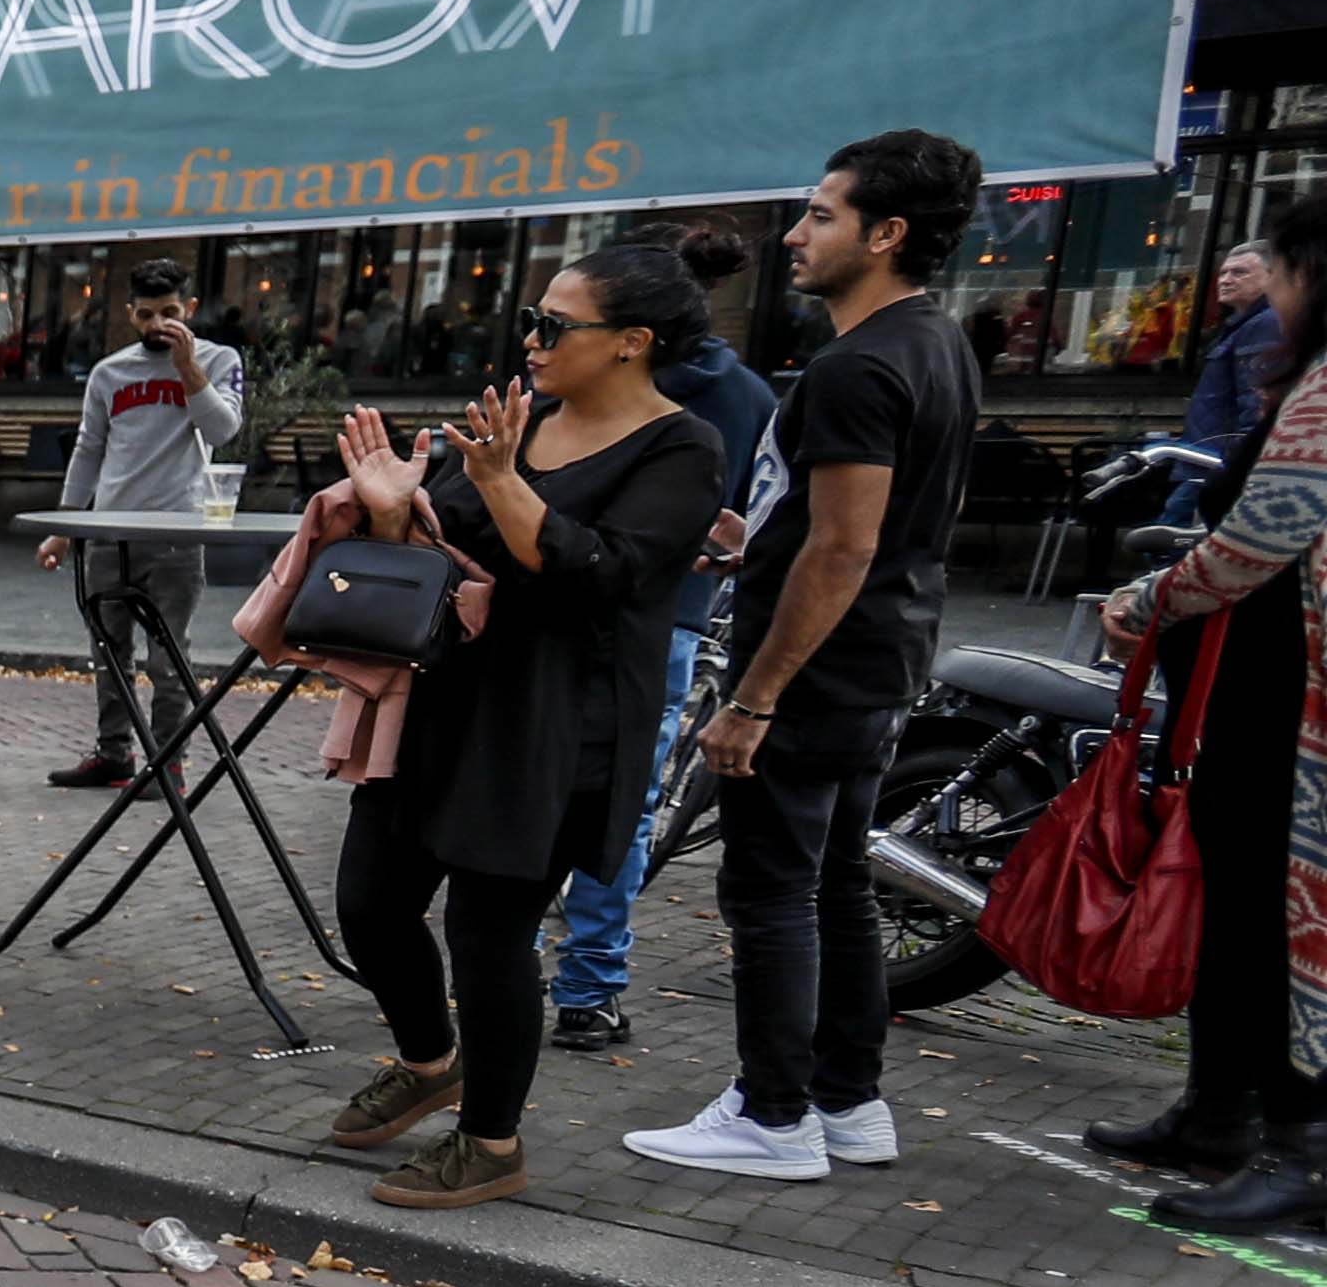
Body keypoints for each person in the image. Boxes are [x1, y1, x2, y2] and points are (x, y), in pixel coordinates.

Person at [312, 245, 728, 1212]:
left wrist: (500, 479)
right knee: (370, 903)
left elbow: (601, 573)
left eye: (555, 326)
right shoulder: (521, 423)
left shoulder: (683, 448)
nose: (531, 342)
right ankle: (430, 1061)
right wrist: (388, 514)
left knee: (488, 930)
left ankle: (491, 1141)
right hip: (443, 701)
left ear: (633, 343)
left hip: (553, 723)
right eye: (532, 321)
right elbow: (445, 558)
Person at [631, 130, 989, 1182]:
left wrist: (753, 699)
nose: (794, 234)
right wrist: (763, 538)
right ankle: (847, 1100)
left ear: (885, 234)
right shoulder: (937, 344)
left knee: (773, 890)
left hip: (823, 667)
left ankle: (772, 1113)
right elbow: (870, 523)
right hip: (884, 654)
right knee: (835, 883)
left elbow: (845, 547)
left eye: (822, 214)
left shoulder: (857, 365)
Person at [1089, 187, 1327, 1220]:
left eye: (1272, 271)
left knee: (1276, 916)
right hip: (1260, 695)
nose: (1263, 291)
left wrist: (1145, 599)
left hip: (1293, 711)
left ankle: (1300, 1145)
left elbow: (1258, 540)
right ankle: (1218, 1111)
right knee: (1237, 905)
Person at [544, 224, 786, 1056]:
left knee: (532, 781)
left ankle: (521, 965)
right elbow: (753, 517)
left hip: (552, 605)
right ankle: (588, 986)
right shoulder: (749, 395)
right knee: (626, 804)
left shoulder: (577, 376)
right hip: (668, 615)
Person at [38, 262, 246, 793]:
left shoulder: (219, 360)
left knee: (168, 655)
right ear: (131, 314)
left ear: (190, 310)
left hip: (176, 529)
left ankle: (167, 762)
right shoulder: (110, 372)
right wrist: (66, 525)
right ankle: (114, 754)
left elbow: (223, 429)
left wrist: (188, 368)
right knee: (108, 651)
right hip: (109, 529)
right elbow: (89, 448)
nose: (158, 324)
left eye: (170, 313)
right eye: (147, 315)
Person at [1176, 242, 1287, 529]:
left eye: (1239, 272)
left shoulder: (1265, 324)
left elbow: (1256, 401)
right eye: (1224, 272)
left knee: (1171, 546)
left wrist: (1240, 465)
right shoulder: (1243, 325)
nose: (1225, 280)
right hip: (1208, 460)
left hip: (1217, 464)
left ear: (1272, 276)